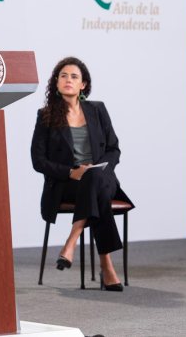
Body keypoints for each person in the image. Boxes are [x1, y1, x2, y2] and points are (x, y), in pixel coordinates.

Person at [31, 57, 133, 291]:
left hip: (101, 178)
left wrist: (99, 169)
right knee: (95, 189)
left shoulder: (97, 110)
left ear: (83, 84)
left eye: (74, 76)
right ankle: (106, 266)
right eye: (63, 76)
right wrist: (71, 172)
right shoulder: (46, 116)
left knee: (94, 178)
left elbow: (113, 149)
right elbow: (38, 161)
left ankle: (71, 241)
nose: (68, 80)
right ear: (56, 83)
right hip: (68, 184)